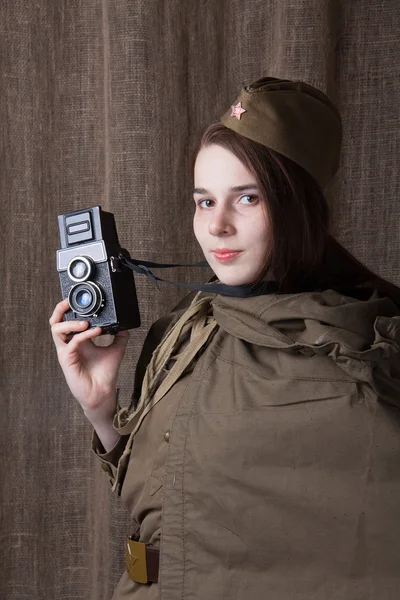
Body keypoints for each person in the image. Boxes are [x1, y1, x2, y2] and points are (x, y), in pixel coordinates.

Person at [49, 76, 400, 599]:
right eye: (205, 201)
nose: (217, 227)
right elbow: (171, 506)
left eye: (247, 198)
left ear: (299, 206)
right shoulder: (184, 327)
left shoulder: (368, 358)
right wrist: (102, 410)